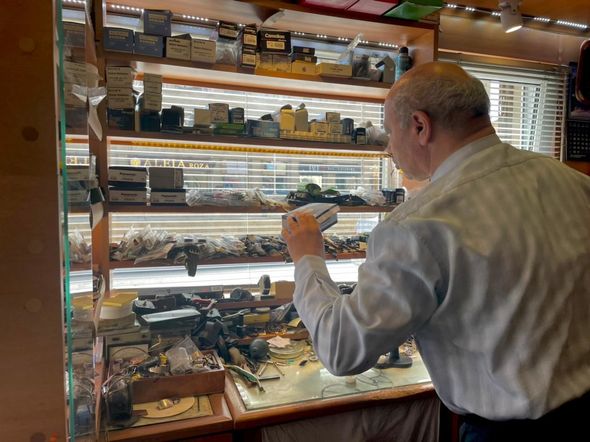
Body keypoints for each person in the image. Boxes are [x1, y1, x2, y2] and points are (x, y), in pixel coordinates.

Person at [282, 62, 590, 441]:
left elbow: (342, 349)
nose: (389, 148)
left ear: (420, 126)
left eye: (390, 133)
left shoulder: (417, 225)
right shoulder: (574, 184)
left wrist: (308, 258)